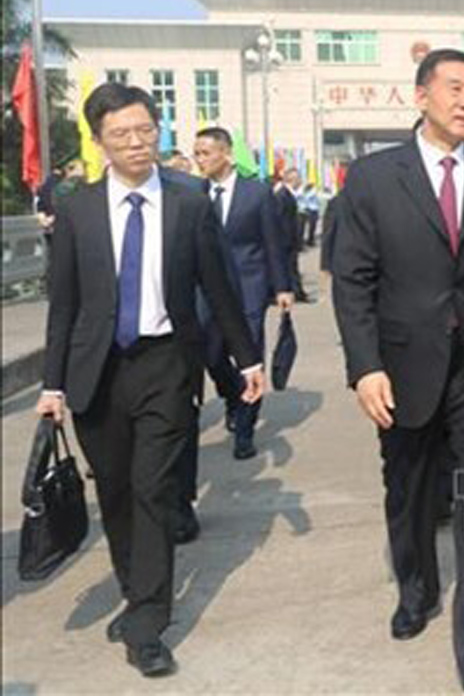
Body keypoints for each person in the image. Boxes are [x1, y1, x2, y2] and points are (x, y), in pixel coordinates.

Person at [37, 83, 264, 677]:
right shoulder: (78, 210)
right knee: (113, 490)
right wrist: (51, 384)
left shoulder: (189, 202)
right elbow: (62, 305)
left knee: (153, 489)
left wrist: (248, 359)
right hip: (97, 371)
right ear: (99, 142)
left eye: (146, 131)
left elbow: (219, 286)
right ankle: (138, 591)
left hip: (167, 364)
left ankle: (148, 624)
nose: (137, 144)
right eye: (122, 135)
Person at [332, 49, 464, 695]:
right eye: (455, 88)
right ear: (420, 96)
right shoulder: (371, 178)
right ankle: (415, 587)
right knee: (411, 492)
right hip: (401, 367)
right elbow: (352, 281)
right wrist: (364, 367)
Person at [191, 127, 293, 461]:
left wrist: (282, 286)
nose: (200, 160)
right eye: (197, 153)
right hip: (207, 291)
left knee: (250, 357)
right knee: (211, 353)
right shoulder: (194, 193)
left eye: (205, 153)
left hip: (248, 286)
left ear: (226, 154)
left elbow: (273, 243)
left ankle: (245, 431)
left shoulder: (257, 193)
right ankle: (234, 394)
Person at [276, 167, 310, 303]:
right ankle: (297, 292)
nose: (300, 181)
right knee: (289, 267)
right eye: (298, 178)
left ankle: (297, 291)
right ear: (292, 179)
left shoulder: (288, 195)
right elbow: (278, 219)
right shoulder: (282, 195)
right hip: (285, 240)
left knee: (292, 266)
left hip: (290, 239)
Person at [299, 181, 322, 247]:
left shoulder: (311, 193)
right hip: (310, 210)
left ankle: (310, 240)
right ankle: (309, 241)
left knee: (312, 227)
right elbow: (307, 200)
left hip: (313, 210)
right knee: (310, 227)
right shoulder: (309, 193)